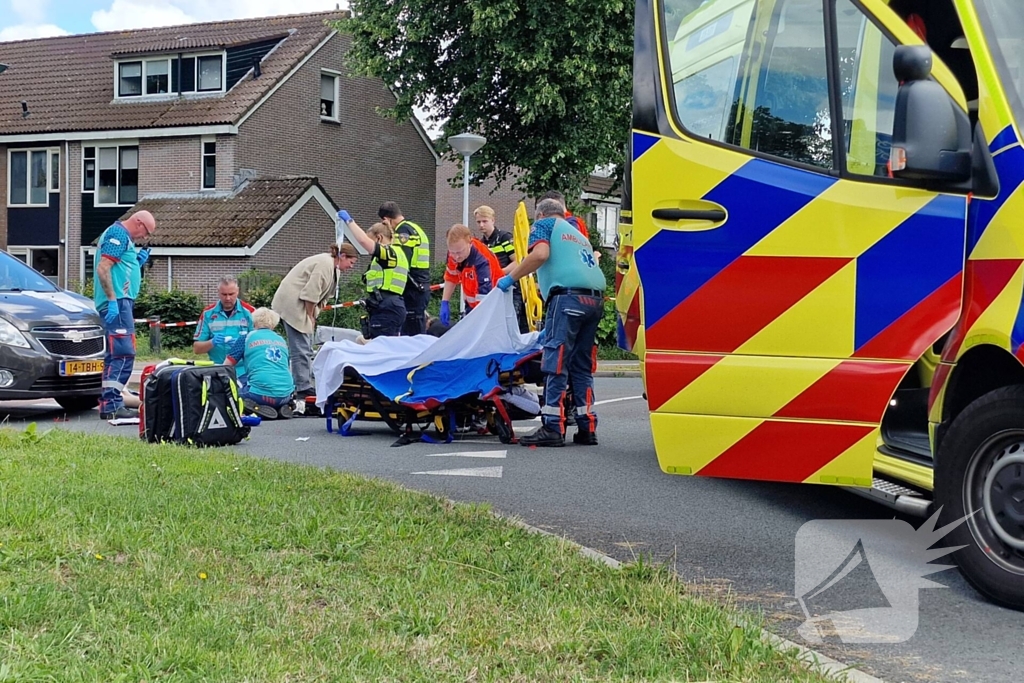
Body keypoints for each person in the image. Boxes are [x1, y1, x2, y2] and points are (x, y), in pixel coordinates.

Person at [497, 198, 606, 447]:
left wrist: (510, 278)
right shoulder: (578, 235)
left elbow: (540, 254)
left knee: (555, 362)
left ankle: (552, 427)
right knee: (581, 365)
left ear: (542, 214)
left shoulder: (545, 224)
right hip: (594, 299)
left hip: (566, 297)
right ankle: (587, 427)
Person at [271, 243, 359, 410]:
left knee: (304, 346)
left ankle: (303, 384)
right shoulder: (325, 265)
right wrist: (310, 316)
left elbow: (321, 295)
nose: (351, 267)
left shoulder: (334, 269)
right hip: (293, 304)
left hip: (299, 303)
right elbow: (310, 295)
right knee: (301, 348)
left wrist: (313, 315)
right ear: (342, 256)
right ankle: (302, 388)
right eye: (351, 262)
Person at [93, 210, 156, 420]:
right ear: (138, 222)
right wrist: (112, 300)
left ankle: (110, 403)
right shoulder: (118, 235)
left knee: (115, 354)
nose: (144, 237)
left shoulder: (122, 238)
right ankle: (112, 403)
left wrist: (136, 262)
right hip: (118, 302)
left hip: (121, 301)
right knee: (123, 352)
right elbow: (104, 268)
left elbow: (120, 270)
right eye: (145, 232)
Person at [337, 210, 409, 339]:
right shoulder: (399, 253)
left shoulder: (388, 253)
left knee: (380, 349)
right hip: (392, 305)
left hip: (386, 307)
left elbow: (363, 241)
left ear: (379, 238)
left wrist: (349, 221)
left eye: (373, 241)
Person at [225, 307, 295, 420]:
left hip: (260, 395)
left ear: (254, 322)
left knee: (231, 395)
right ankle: (284, 406)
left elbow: (226, 366)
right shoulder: (282, 340)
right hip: (286, 394)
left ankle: (255, 407)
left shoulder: (246, 338)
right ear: (274, 324)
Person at [378, 201, 431, 335]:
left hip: (413, 286)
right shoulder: (415, 228)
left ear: (387, 220)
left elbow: (401, 261)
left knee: (411, 333)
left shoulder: (402, 232)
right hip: (421, 285)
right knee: (417, 328)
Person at [476, 205, 528, 333]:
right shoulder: (481, 243)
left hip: (511, 286)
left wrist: (500, 273)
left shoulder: (504, 237)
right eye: (478, 222)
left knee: (512, 323)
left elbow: (518, 262)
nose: (481, 225)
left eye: (484, 221)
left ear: (493, 220)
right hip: (494, 288)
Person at [439, 224, 503, 325]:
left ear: (469, 242)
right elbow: (451, 277)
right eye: (452, 252)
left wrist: (474, 320)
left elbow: (484, 296)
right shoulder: (454, 254)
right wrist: (445, 301)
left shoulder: (482, 261)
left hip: (492, 305)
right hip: (472, 305)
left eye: (459, 252)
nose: (456, 257)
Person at [193, 276, 255, 377]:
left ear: (238, 291)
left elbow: (259, 346)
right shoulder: (208, 314)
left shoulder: (250, 313)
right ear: (218, 292)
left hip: (243, 372)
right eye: (224, 294)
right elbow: (197, 349)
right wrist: (212, 342)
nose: (227, 298)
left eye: (231, 294)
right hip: (216, 370)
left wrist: (242, 346)